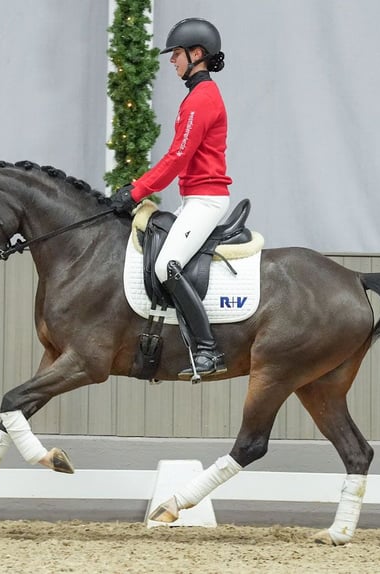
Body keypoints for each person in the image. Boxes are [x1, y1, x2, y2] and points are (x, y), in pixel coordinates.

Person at [111, 17, 231, 381]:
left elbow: (177, 157)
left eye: (177, 53)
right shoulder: (195, 97)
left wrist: (135, 191)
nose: (172, 60)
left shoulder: (202, 99)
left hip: (206, 199)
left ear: (198, 54)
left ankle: (208, 350)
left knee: (168, 266)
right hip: (194, 197)